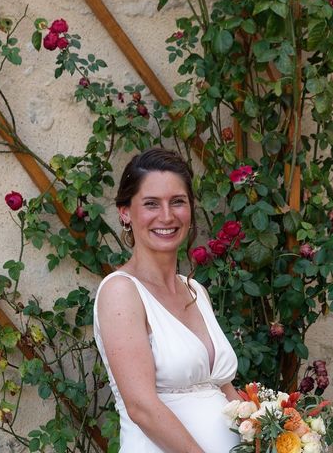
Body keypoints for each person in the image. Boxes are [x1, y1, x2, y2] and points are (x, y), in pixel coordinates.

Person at [93, 148, 240, 452]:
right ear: (125, 212)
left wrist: (272, 433)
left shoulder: (196, 291)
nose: (167, 216)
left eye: (177, 202)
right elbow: (142, 406)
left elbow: (223, 389)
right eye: (151, 204)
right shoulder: (121, 291)